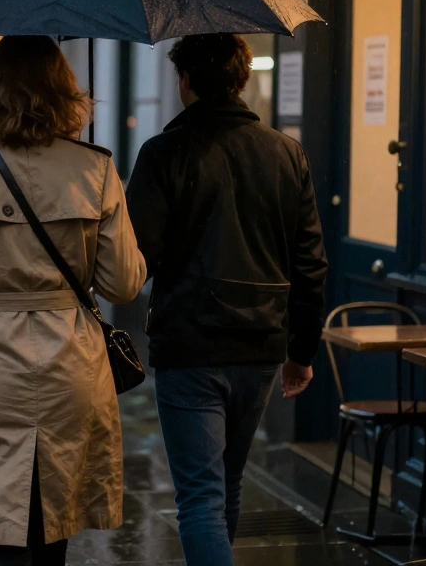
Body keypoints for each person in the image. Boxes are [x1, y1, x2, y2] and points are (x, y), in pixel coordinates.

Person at [0, 35, 146, 565]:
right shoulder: (96, 167)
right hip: (72, 364)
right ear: (65, 93)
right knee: (53, 528)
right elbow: (125, 282)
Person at [126, 33, 328, 566]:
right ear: (242, 79)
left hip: (190, 344)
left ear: (186, 80)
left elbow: (136, 256)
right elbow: (310, 263)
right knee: (226, 485)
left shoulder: (163, 153)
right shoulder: (286, 153)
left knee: (200, 498)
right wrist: (301, 351)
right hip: (261, 345)